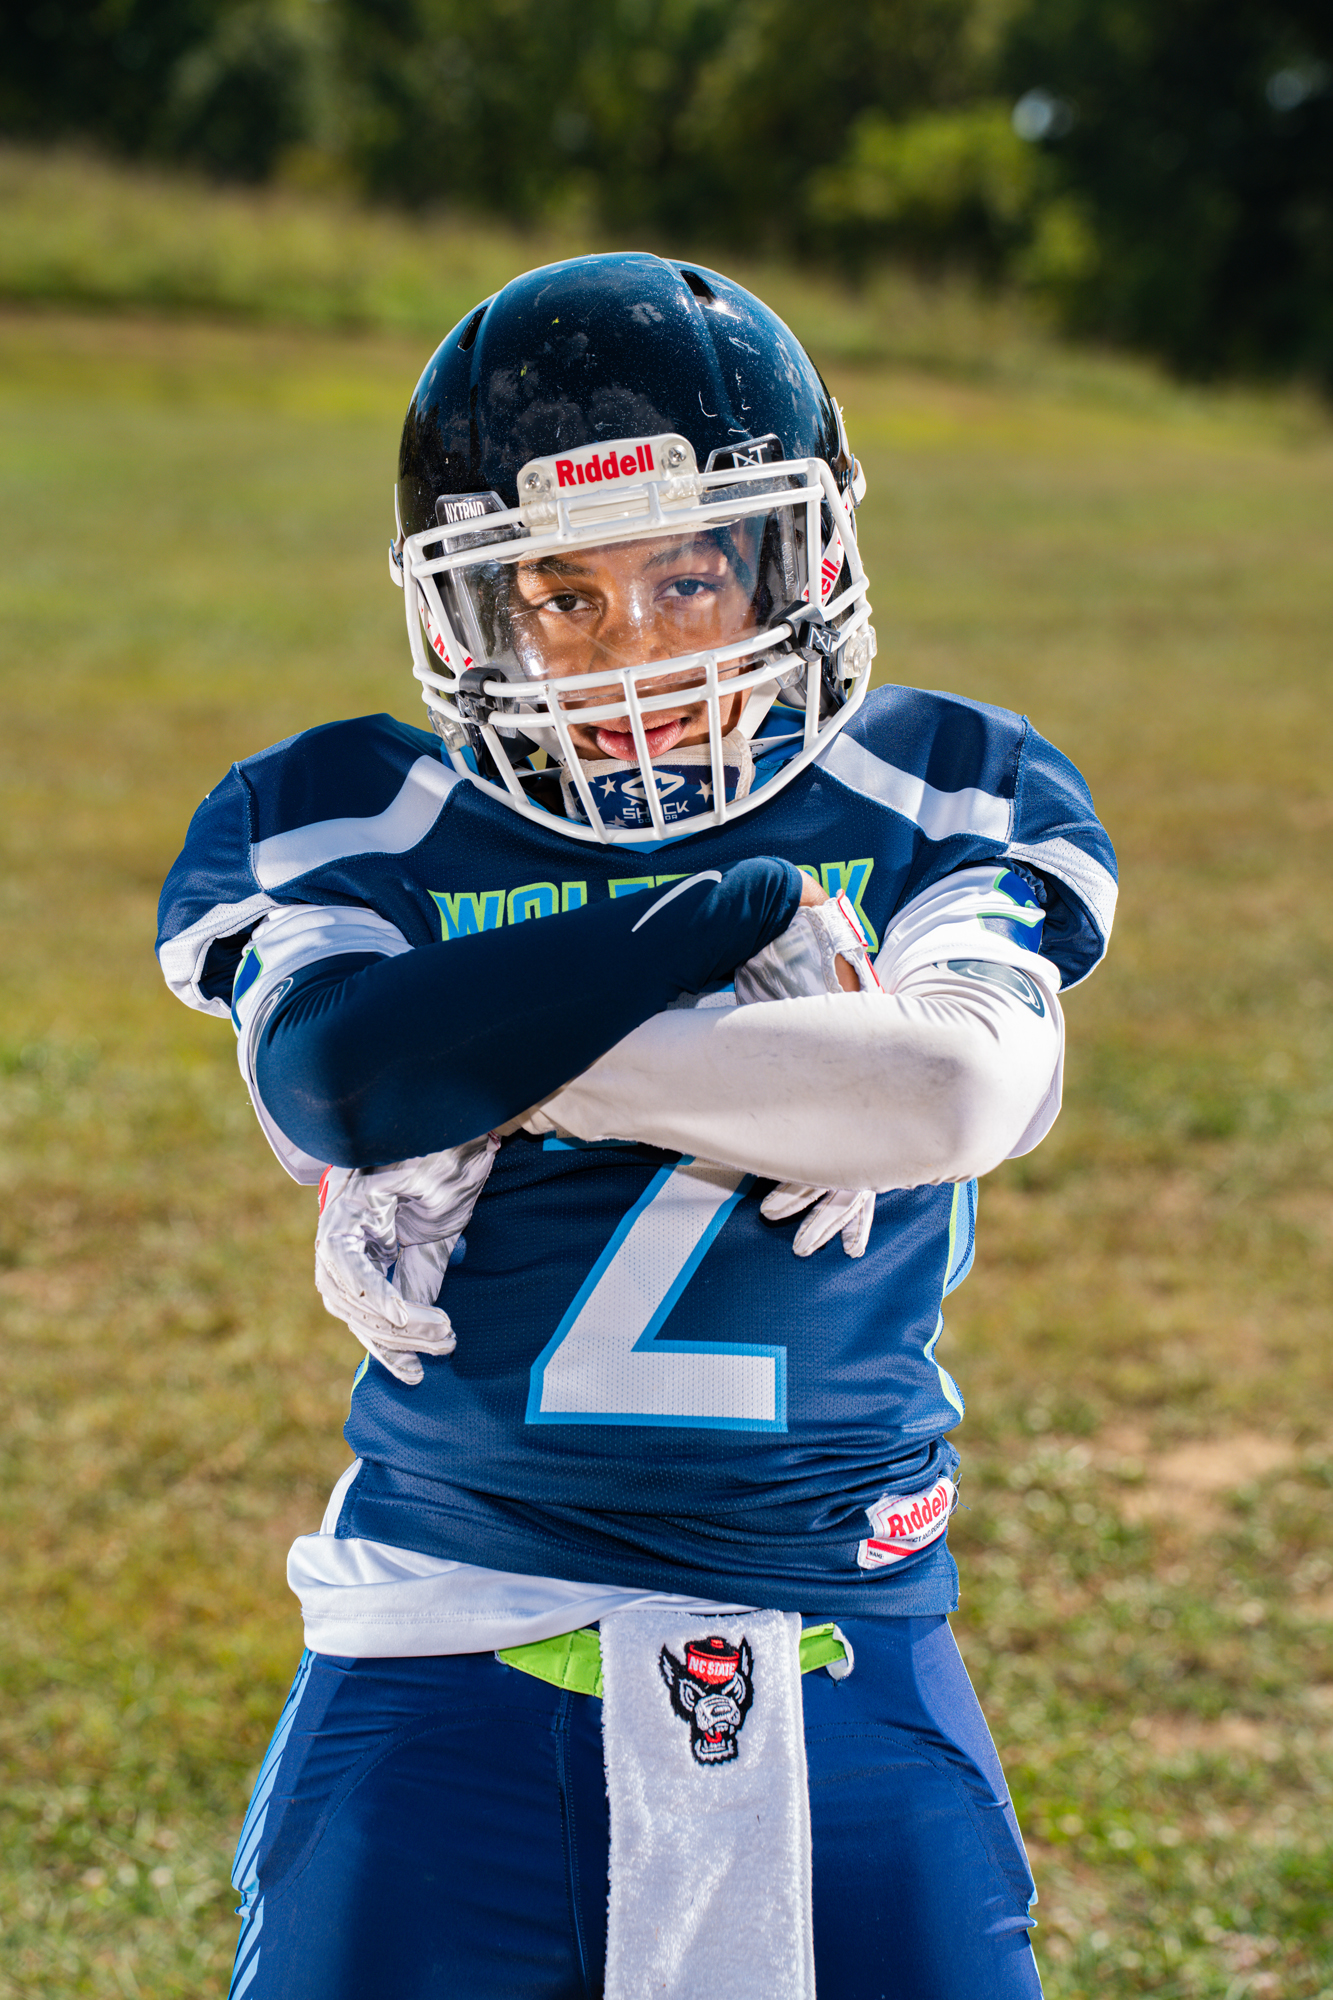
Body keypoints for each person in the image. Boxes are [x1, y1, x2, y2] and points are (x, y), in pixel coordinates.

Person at [156, 253, 1116, 2000]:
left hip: (836, 1620)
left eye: (688, 575)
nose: (639, 651)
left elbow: (954, 1089)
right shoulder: (352, 810)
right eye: (564, 598)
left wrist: (492, 1059)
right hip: (446, 1622)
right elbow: (334, 1081)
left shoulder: (934, 783)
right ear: (471, 614)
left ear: (797, 560)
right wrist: (725, 924)